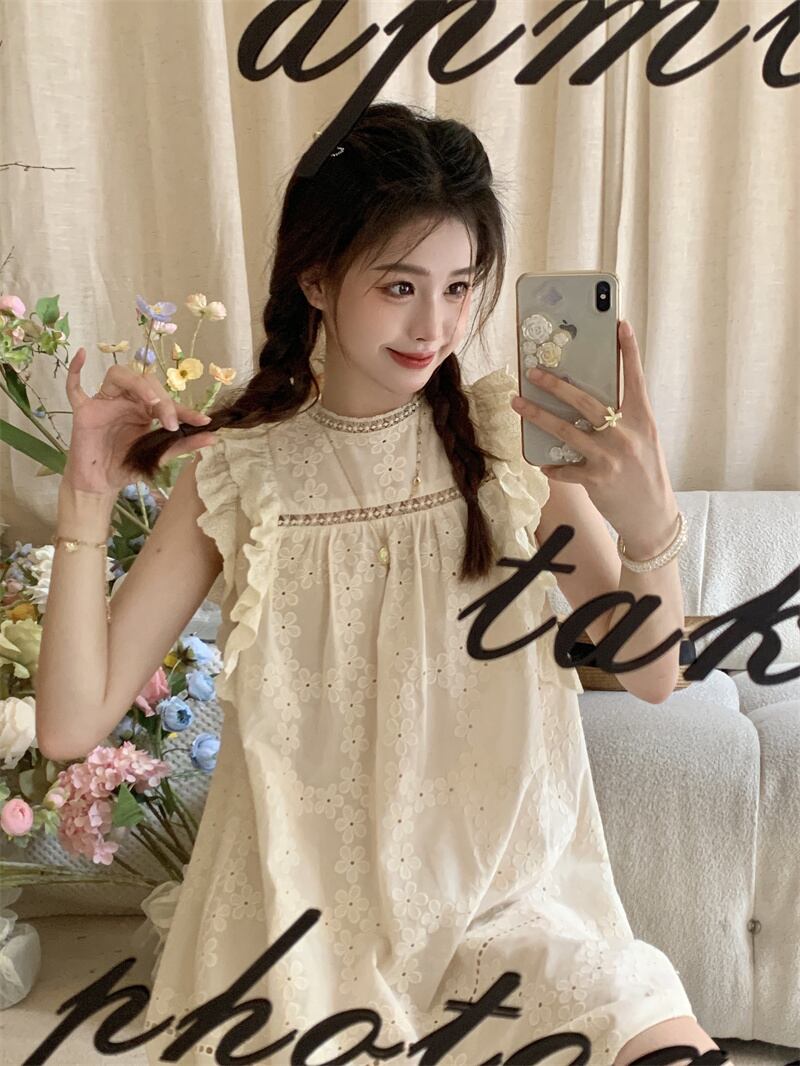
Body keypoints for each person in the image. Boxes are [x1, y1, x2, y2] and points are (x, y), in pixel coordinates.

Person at [37, 101, 729, 1066]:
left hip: (509, 915)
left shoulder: (506, 446)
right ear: (316, 278)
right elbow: (70, 726)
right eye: (400, 284)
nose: (434, 324)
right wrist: (85, 498)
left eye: (459, 286)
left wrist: (651, 524)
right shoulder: (240, 473)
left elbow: (653, 675)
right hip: (300, 946)